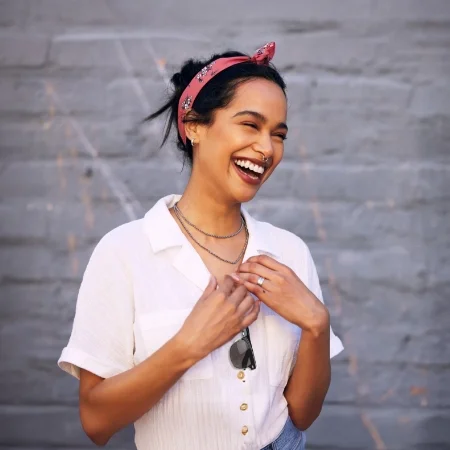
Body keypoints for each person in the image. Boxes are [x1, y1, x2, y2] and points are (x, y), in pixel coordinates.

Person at [58, 42, 343, 450]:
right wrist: (189, 345)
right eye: (250, 125)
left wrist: (317, 324)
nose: (266, 149)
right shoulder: (124, 252)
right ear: (194, 126)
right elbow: (96, 421)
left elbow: (302, 414)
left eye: (277, 134)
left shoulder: (289, 251)